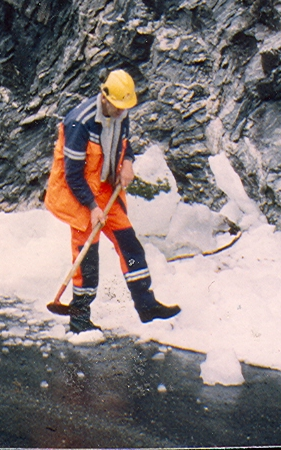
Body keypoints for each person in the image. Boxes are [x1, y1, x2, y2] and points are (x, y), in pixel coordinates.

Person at [45, 68, 181, 333]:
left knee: (130, 244)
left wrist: (127, 162)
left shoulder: (122, 113)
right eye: (118, 107)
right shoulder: (79, 123)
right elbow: (73, 175)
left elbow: (125, 143)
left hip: (106, 189)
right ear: (104, 97)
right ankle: (80, 320)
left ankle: (146, 304)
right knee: (88, 259)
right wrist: (92, 207)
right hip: (78, 195)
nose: (122, 113)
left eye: (125, 108)